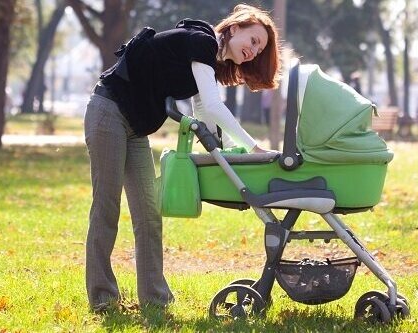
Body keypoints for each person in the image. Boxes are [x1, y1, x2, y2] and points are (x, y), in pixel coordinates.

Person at [83, 4, 281, 312]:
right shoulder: (202, 43)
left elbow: (204, 112)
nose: (254, 51)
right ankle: (103, 298)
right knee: (107, 206)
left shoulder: (207, 60)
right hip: (108, 112)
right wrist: (256, 149)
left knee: (149, 215)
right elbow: (214, 108)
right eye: (253, 40)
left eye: (260, 49)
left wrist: (230, 152)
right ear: (234, 28)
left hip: (136, 129)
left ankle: (155, 299)